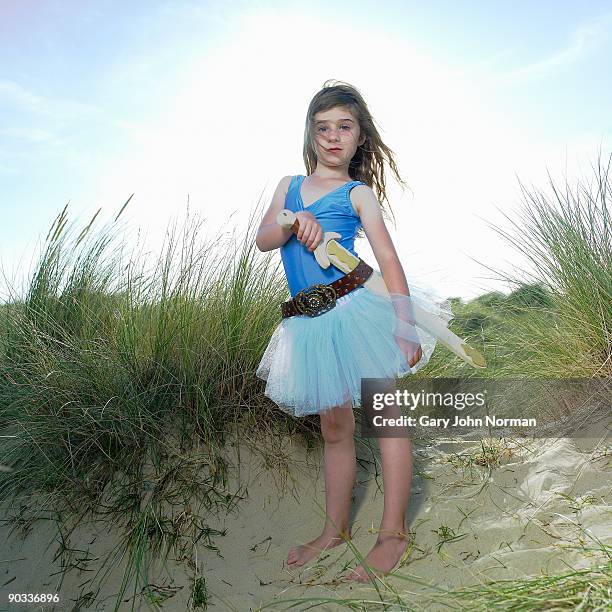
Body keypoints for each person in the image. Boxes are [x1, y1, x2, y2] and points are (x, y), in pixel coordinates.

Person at [254, 80, 452, 583]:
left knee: (388, 420)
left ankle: (392, 535)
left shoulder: (356, 193)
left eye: (344, 127)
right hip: (308, 323)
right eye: (323, 128)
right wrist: (295, 219)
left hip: (359, 309)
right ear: (311, 134)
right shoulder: (288, 186)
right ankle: (334, 530)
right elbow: (263, 239)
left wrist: (405, 326)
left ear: (360, 136)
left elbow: (387, 258)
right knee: (335, 429)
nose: (333, 137)